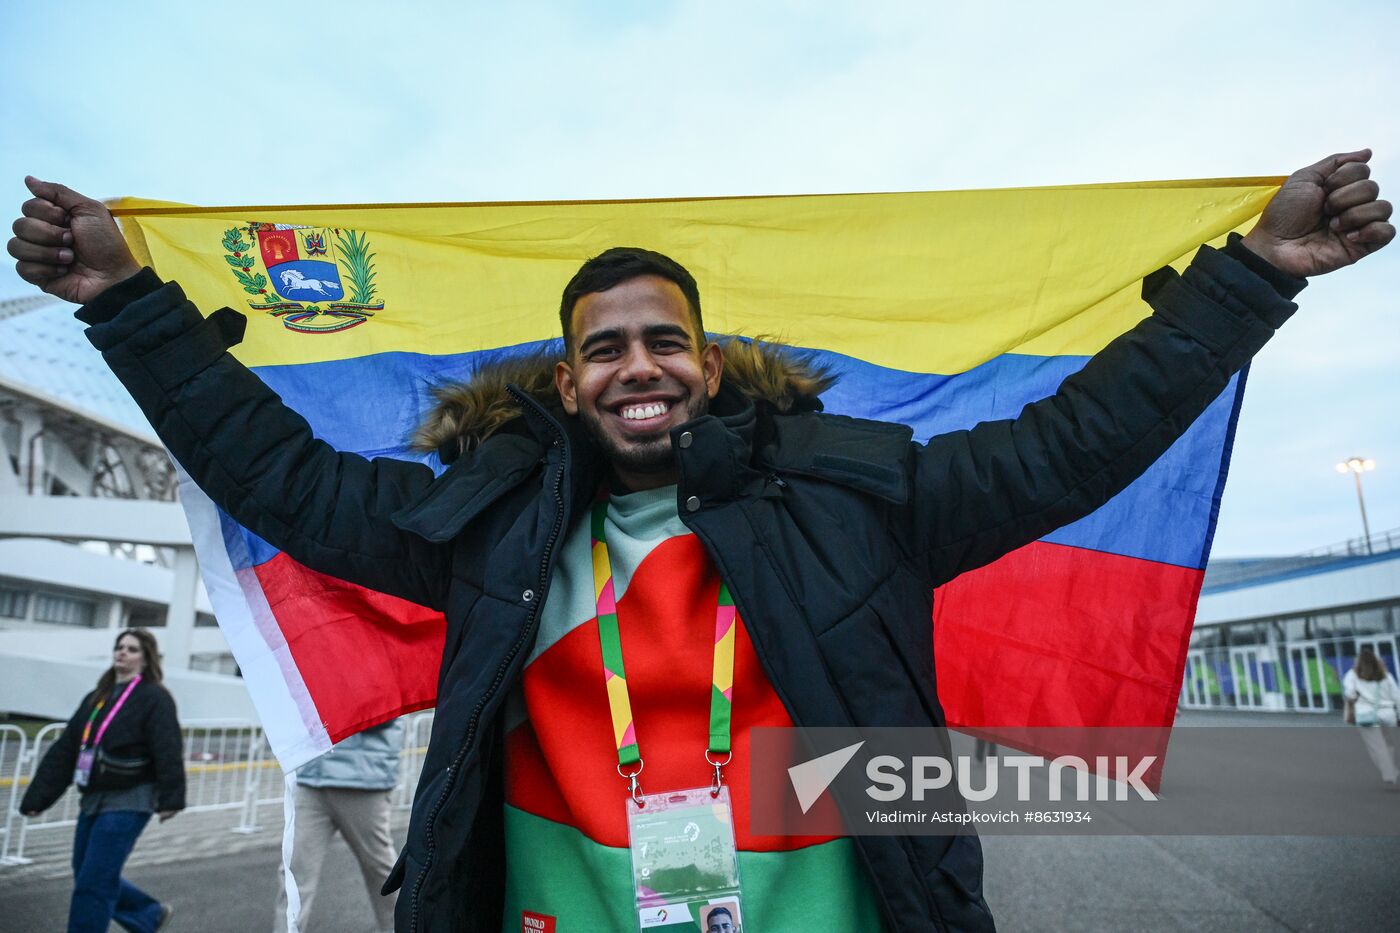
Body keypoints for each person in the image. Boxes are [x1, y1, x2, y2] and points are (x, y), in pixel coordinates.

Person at [7, 152, 1392, 932]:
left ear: (709, 366)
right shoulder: (483, 525)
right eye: (603, 348)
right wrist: (127, 305)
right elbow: (287, 476)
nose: (637, 364)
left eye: (665, 338)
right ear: (566, 382)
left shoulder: (858, 496)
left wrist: (1253, 276)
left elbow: (1077, 439)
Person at [20, 628, 184, 933]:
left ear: (146, 659)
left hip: (131, 798)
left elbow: (168, 747)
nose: (122, 652)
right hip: (94, 798)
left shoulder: (154, 698)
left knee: (94, 882)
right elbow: (67, 749)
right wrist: (38, 798)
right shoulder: (97, 698)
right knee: (86, 872)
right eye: (119, 647)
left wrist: (171, 798)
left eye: (132, 649)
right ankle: (148, 915)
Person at [273, 718, 405, 933]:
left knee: (382, 874)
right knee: (294, 873)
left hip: (363, 781)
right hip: (310, 779)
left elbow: (385, 713)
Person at [1342, 645, 1400, 785]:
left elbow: (1349, 693)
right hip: (1387, 714)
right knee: (1387, 744)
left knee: (1376, 747)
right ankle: (1390, 769)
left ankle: (1391, 775)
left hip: (1366, 714)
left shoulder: (1353, 675)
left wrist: (1356, 696)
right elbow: (1397, 696)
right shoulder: (1386, 675)